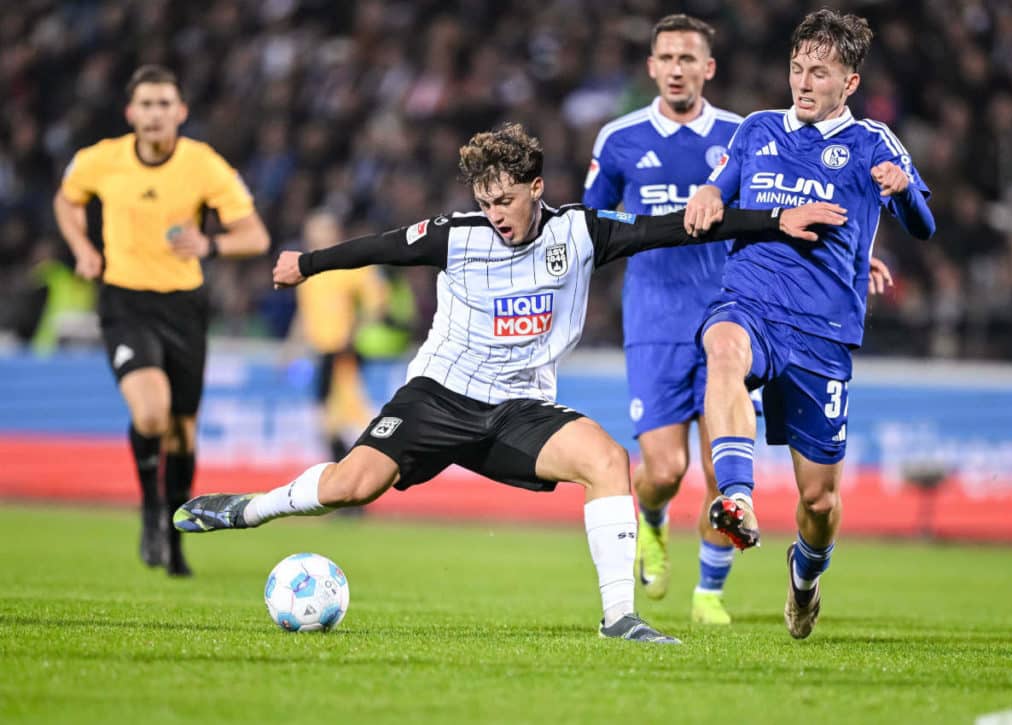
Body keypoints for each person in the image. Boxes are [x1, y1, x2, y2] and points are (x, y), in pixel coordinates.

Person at [173, 122, 844, 642]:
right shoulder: (457, 235)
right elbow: (379, 246)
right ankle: (247, 508)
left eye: (504, 199)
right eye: (484, 199)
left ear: (535, 188)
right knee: (351, 486)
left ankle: (619, 618)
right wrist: (308, 263)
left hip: (519, 408)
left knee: (610, 460)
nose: (495, 211)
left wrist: (774, 221)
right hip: (438, 397)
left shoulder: (580, 232)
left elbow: (669, 230)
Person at [683, 9, 935, 639]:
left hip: (822, 332)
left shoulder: (874, 142)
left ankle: (805, 576)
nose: (802, 81)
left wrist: (902, 190)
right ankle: (736, 496)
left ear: (848, 83)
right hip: (752, 301)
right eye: (797, 67)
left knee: (819, 502)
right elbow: (720, 190)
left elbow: (924, 223)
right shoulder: (758, 130)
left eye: (818, 72)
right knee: (723, 348)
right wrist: (711, 194)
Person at [53, 65, 270, 576]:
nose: (154, 114)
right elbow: (66, 201)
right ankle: (151, 507)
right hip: (125, 302)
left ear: (181, 112)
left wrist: (211, 243)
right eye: (145, 105)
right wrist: (83, 247)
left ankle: (175, 536)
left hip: (184, 306)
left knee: (182, 433)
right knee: (151, 413)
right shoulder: (99, 160)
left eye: (163, 104)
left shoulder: (203, 165)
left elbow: (256, 236)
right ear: (131, 113)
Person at [583, 13, 745, 624]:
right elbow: (589, 226)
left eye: (689, 58)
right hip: (652, 320)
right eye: (667, 58)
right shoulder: (618, 139)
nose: (677, 69)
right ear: (651, 67)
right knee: (665, 469)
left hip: (728, 321)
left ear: (708, 68)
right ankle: (651, 517)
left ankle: (709, 592)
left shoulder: (740, 136)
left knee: (720, 469)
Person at [292, 208, 388, 462]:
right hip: (321, 351)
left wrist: (355, 330)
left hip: (341, 350)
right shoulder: (309, 268)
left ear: (333, 233)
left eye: (317, 230)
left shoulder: (348, 264)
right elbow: (305, 313)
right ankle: (345, 471)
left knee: (347, 413)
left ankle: (363, 468)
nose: (310, 236)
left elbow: (377, 301)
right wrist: (291, 346)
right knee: (326, 416)